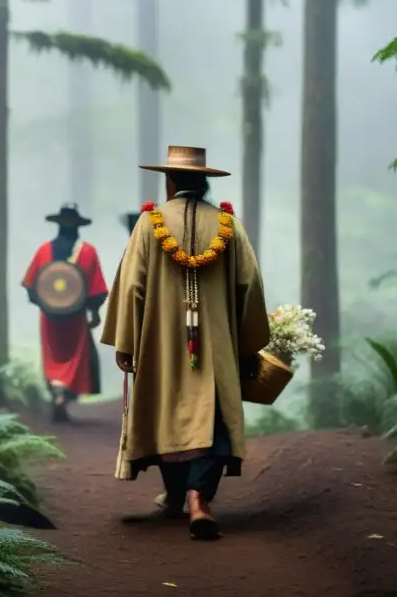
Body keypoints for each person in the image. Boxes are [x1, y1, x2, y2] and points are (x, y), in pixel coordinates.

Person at [100, 146, 270, 540]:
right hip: (214, 346)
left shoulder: (149, 223)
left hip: (160, 344)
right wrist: (247, 345)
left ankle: (182, 495)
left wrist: (126, 341)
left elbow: (132, 288)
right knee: (213, 420)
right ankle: (196, 497)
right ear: (205, 181)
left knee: (166, 411)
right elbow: (249, 286)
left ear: (170, 180)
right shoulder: (228, 225)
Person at [22, 204, 109, 422]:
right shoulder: (88, 252)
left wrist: (46, 304)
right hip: (76, 316)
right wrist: (95, 313)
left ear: (58, 225)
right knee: (73, 359)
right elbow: (97, 291)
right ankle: (65, 393)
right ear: (78, 227)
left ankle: (56, 391)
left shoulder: (44, 250)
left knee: (53, 358)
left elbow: (31, 286)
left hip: (49, 317)